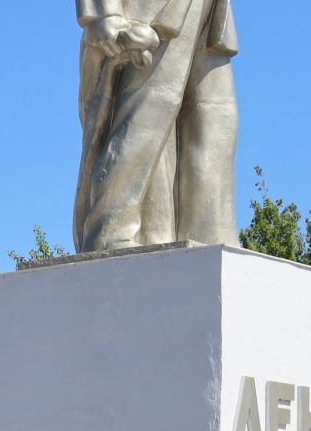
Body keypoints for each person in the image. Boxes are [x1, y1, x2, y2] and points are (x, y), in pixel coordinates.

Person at [74, 0, 238, 253]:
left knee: (214, 116)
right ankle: (111, 231)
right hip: (149, 13)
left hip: (208, 13)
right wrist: (102, 14)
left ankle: (209, 237)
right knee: (146, 115)